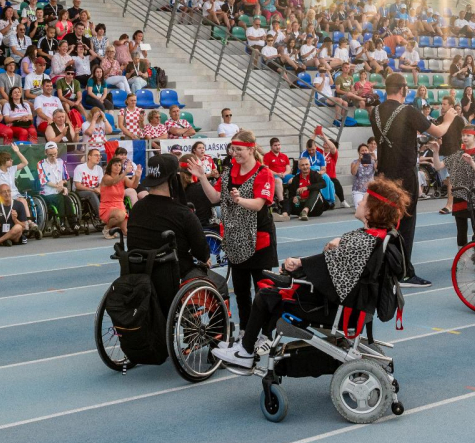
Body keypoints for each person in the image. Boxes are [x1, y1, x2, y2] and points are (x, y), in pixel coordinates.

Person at [213, 175, 409, 370]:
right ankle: (257, 341)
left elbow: (326, 269)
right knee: (276, 290)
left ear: (372, 210)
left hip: (338, 310)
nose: (359, 201)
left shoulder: (362, 241)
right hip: (354, 305)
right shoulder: (375, 237)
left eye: (364, 200)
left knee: (266, 296)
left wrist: (298, 264)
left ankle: (246, 351)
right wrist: (334, 245)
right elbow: (335, 264)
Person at [186, 128, 276, 331]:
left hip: (259, 240)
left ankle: (266, 334)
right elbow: (214, 198)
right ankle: (245, 332)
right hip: (236, 240)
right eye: (232, 149)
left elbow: (259, 204)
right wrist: (202, 178)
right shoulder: (229, 173)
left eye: (238, 149)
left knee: (263, 291)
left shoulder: (263, 173)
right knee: (241, 292)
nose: (234, 153)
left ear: (251, 149)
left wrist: (239, 200)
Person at [369, 72, 452, 286]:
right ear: (403, 89)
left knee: (384, 223)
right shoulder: (408, 111)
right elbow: (438, 131)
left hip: (383, 176)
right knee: (405, 224)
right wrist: (449, 119)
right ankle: (404, 272)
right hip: (404, 176)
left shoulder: (374, 112)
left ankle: (383, 268)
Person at [125, 152, 211, 279]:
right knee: (219, 284)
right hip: (173, 274)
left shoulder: (136, 208)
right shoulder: (183, 213)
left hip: (139, 272)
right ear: (174, 179)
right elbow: (202, 253)